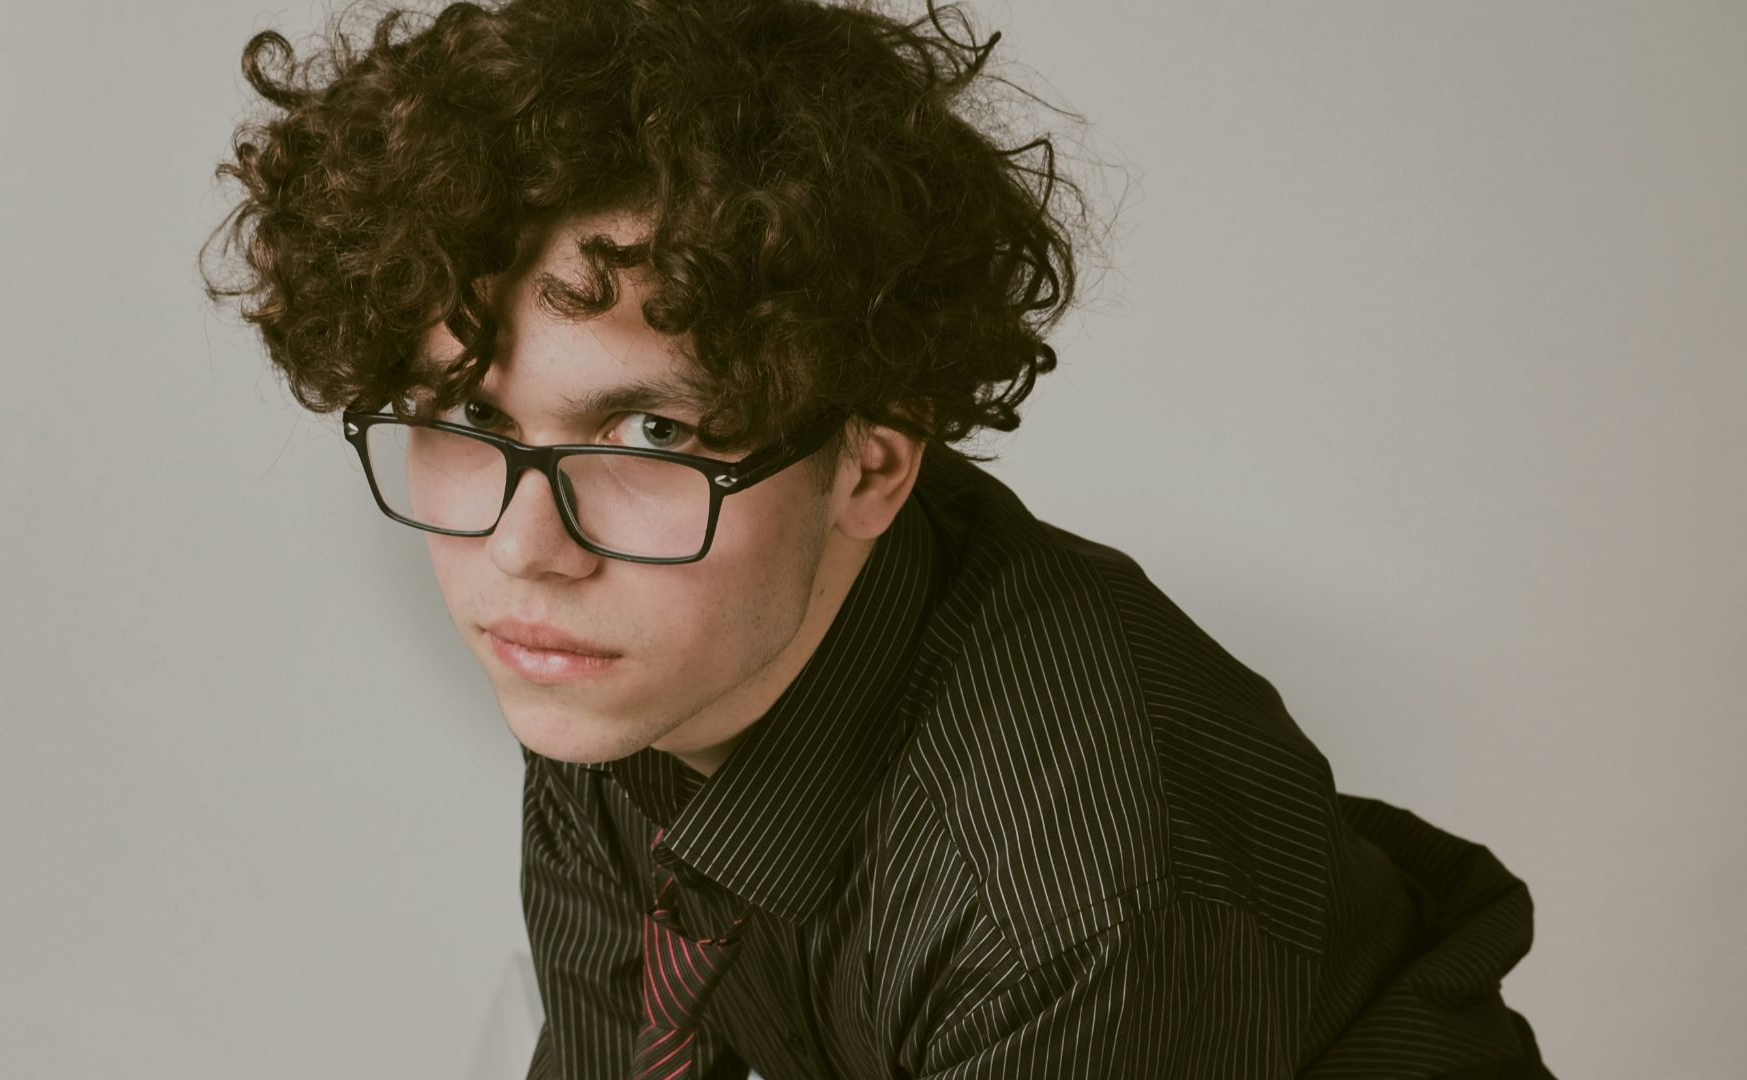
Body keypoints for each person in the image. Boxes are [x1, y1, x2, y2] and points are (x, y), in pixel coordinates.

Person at [199, 0, 1552, 1076]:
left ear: (872, 464)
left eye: (651, 433)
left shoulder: (1067, 894)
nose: (526, 546)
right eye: (463, 416)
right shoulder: (628, 656)